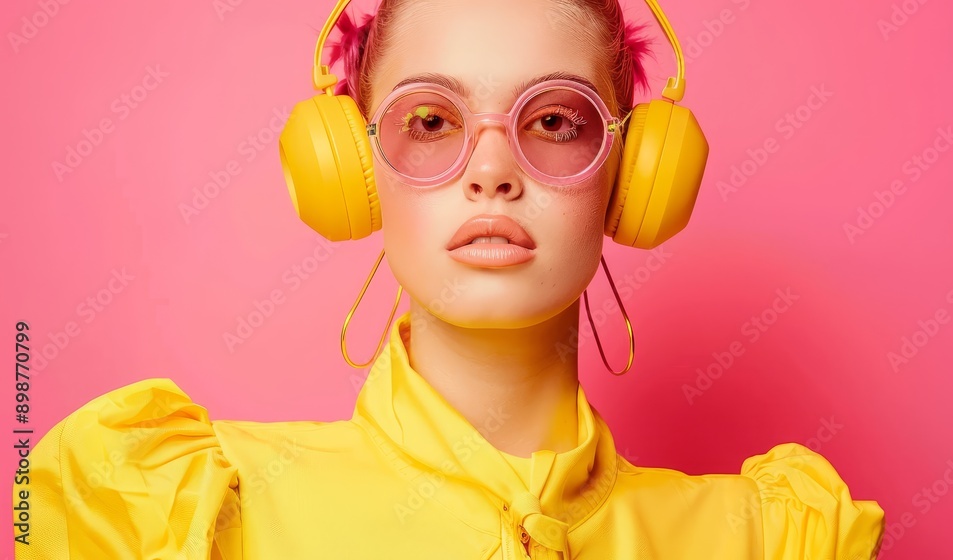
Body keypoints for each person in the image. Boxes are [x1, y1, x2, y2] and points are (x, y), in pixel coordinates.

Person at [12, 0, 885, 558]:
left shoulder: (771, 538)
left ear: (634, 176)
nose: (493, 171)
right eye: (430, 119)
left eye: (554, 120)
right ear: (350, 169)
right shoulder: (182, 509)